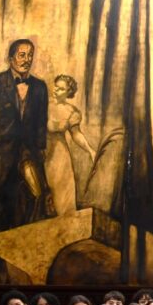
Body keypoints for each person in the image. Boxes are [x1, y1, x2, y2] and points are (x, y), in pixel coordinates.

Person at [0, 39, 54, 232]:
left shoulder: (40, 88)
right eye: (22, 55)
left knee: (36, 196)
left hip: (27, 153)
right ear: (11, 58)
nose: (27, 59)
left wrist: (40, 148)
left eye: (30, 55)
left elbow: (41, 122)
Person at [45, 73, 96, 214]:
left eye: (61, 89)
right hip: (40, 148)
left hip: (58, 154)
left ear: (69, 92)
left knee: (62, 191)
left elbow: (76, 134)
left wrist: (90, 150)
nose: (56, 90)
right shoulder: (43, 103)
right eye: (56, 86)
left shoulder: (71, 112)